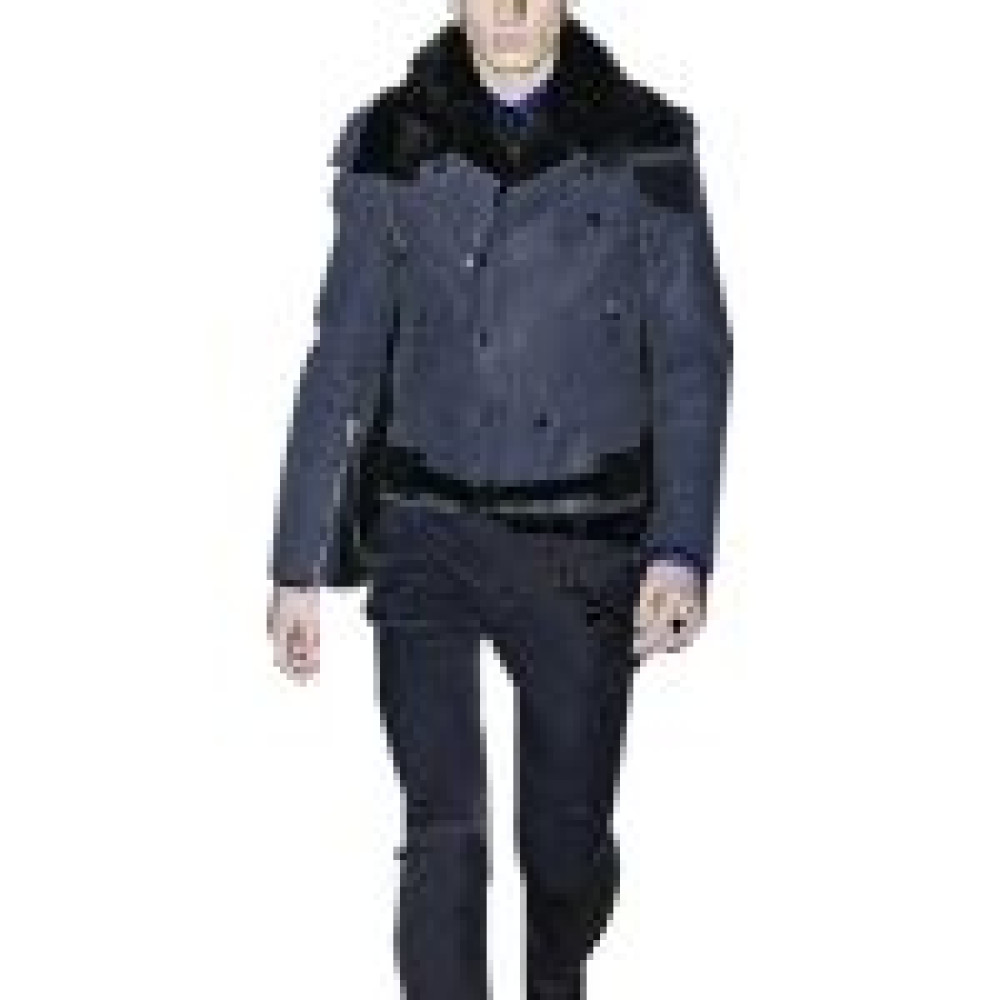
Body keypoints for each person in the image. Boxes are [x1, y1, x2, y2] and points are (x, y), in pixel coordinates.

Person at [266, 2, 733, 997]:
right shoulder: (393, 140)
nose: (511, 8)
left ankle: (558, 961)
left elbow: (691, 355)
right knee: (443, 830)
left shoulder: (644, 141)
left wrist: (679, 549)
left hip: (582, 536)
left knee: (562, 849)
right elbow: (342, 352)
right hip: (424, 524)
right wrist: (294, 563)